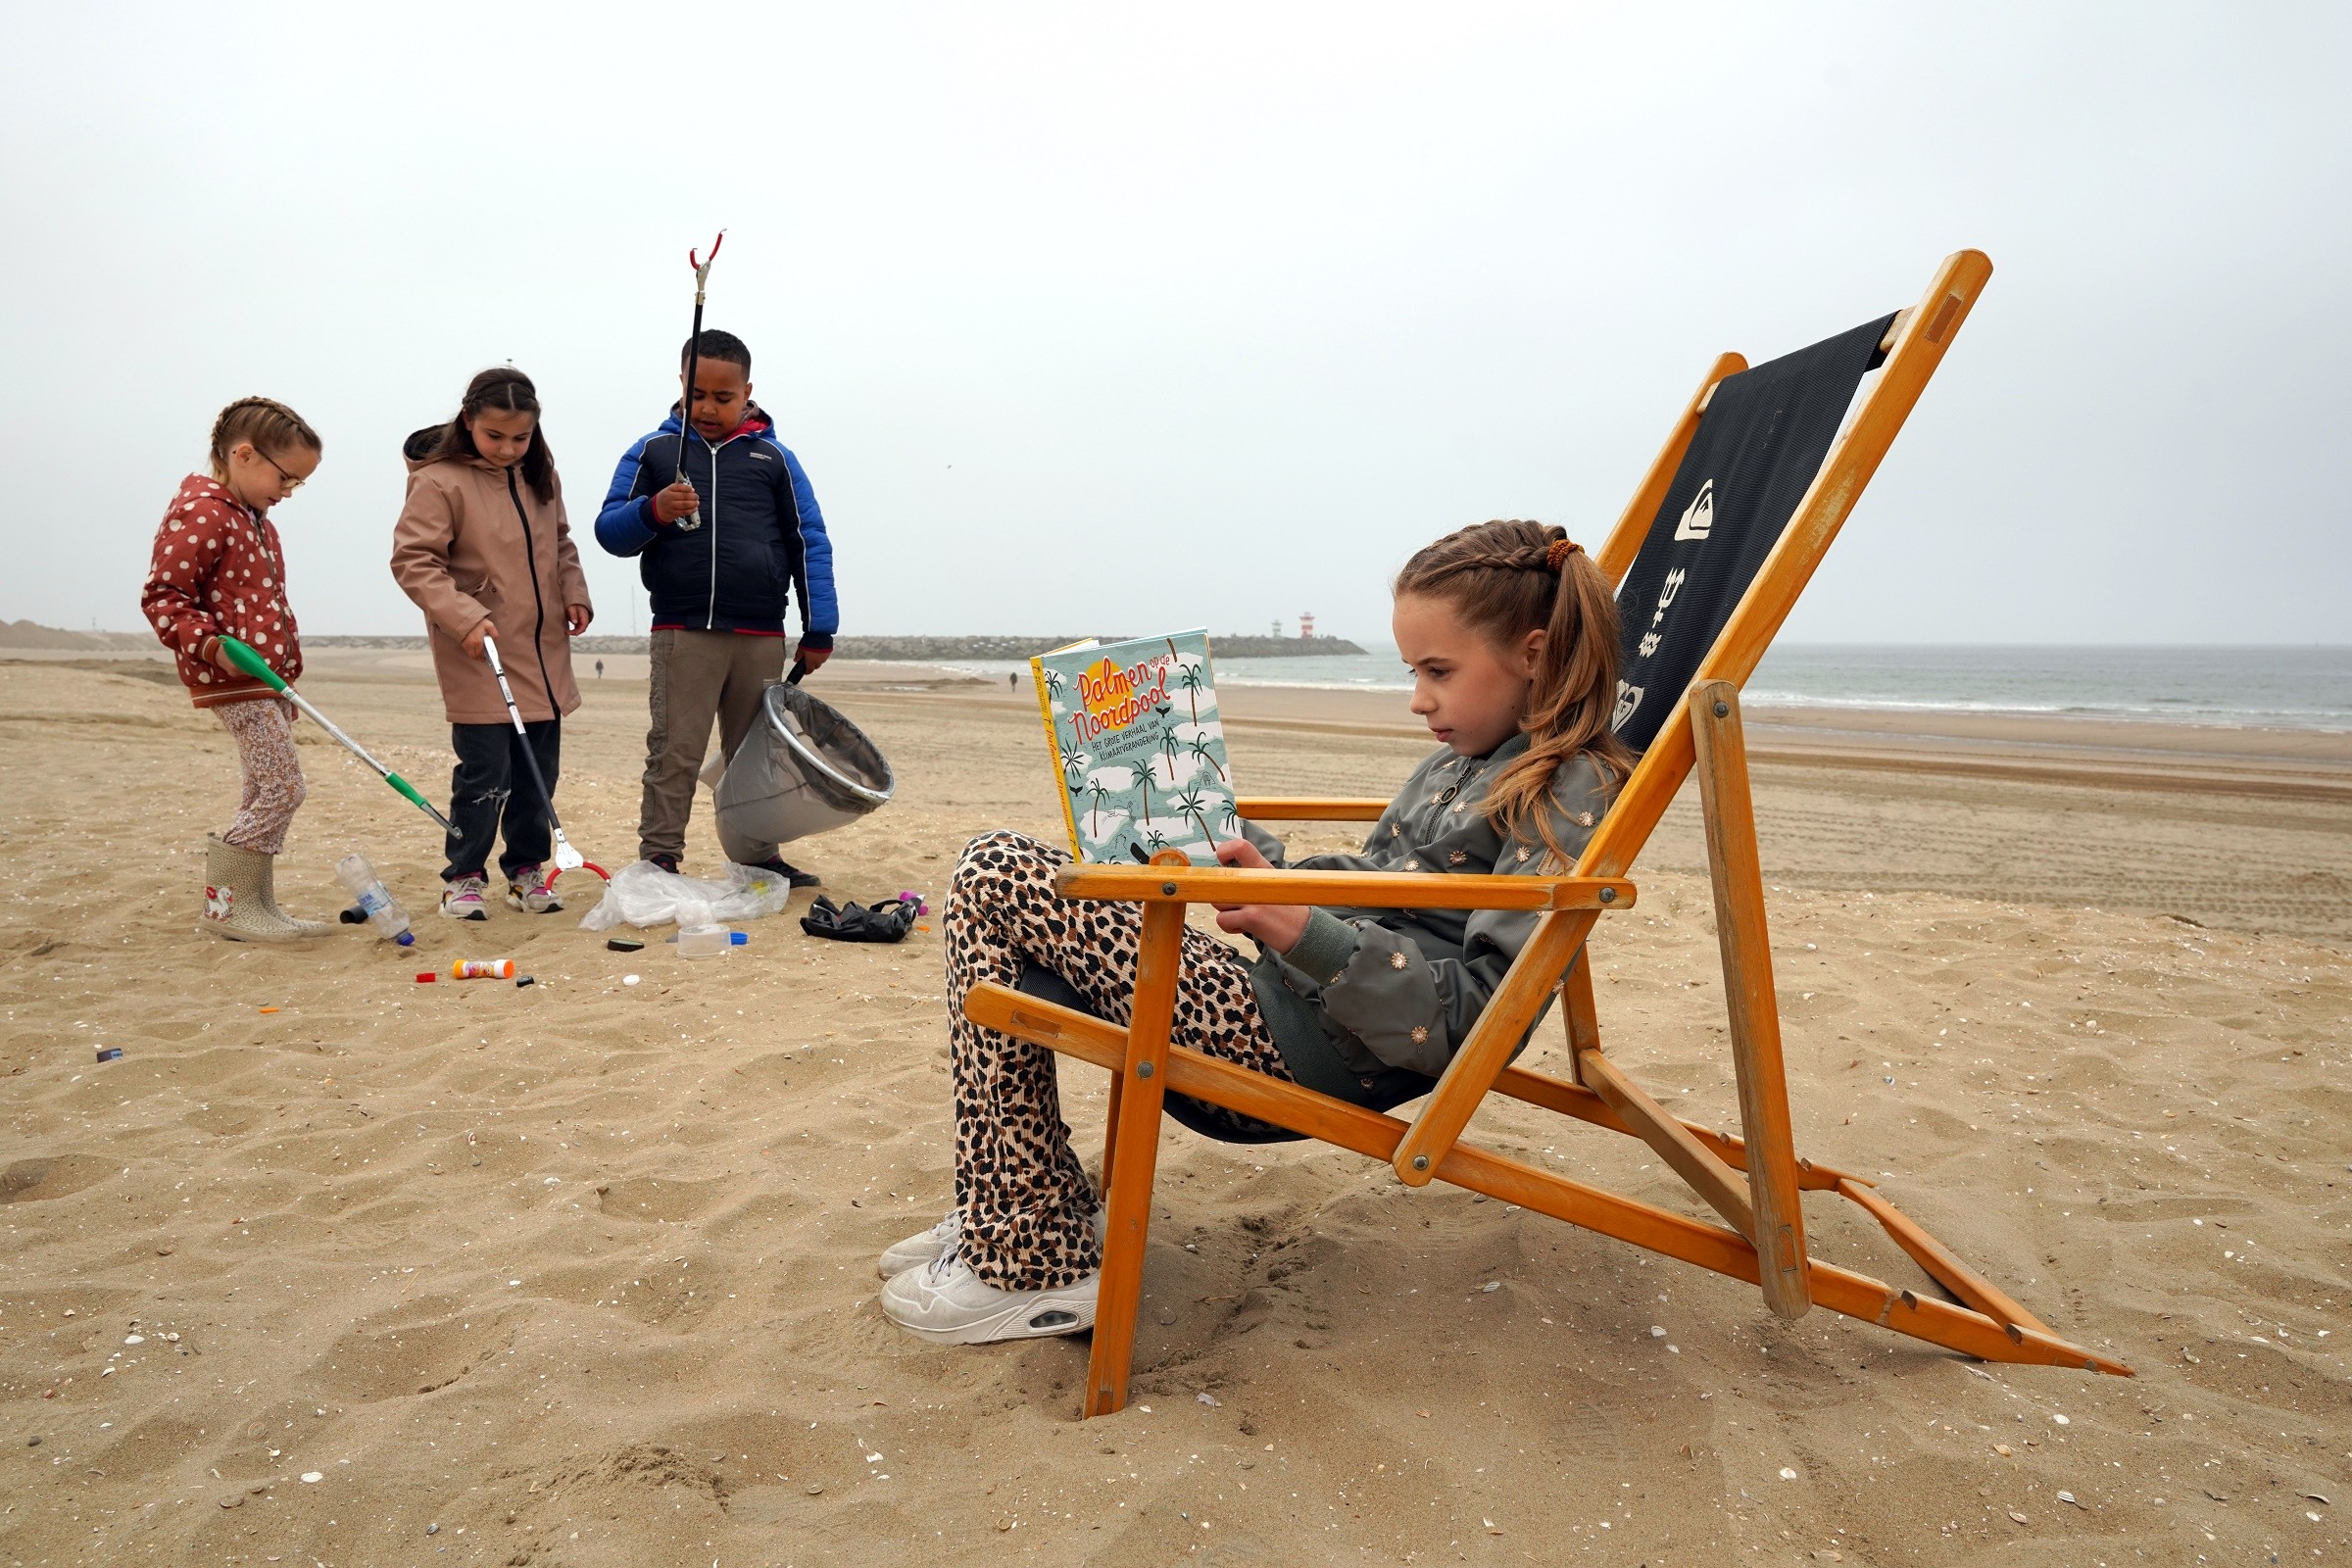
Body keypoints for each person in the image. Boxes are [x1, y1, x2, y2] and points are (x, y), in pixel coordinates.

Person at [879, 518, 1634, 1343]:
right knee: (999, 911)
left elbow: (1476, 1018)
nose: (1418, 697)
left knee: (997, 871)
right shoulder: (1466, 760)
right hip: (1275, 1004)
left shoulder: (1569, 788)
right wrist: (1257, 865)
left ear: (1532, 654)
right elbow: (1391, 890)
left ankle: (1026, 1243)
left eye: (1438, 672)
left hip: (1301, 1048)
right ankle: (1025, 1210)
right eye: (1415, 670)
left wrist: (1299, 928)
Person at [594, 329, 837, 885]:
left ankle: (757, 856)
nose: (708, 407)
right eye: (698, 393)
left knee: (755, 754)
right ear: (681, 384)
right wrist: (654, 510)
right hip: (683, 630)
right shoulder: (653, 452)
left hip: (760, 633)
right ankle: (659, 859)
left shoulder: (774, 458)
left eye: (723, 397)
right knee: (675, 750)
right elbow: (610, 530)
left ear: (748, 392)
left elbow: (809, 540)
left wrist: (819, 627)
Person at [390, 368, 593, 919]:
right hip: (480, 649)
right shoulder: (438, 480)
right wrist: (466, 616)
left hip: (545, 650)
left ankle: (526, 870)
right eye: (494, 436)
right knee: (485, 775)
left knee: (537, 775)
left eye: (520, 438)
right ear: (467, 422)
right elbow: (414, 561)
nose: (507, 448)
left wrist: (573, 592)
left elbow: (561, 542)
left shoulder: (539, 474)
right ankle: (464, 876)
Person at [140, 397, 330, 942]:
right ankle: (226, 907)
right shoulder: (203, 511)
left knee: (260, 787)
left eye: (298, 484)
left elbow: (268, 606)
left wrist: (285, 679)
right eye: (286, 478)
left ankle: (256, 904)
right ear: (244, 454)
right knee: (283, 787)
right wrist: (209, 646)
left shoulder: (257, 522)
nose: (288, 492)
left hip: (265, 680)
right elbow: (164, 596)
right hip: (232, 675)